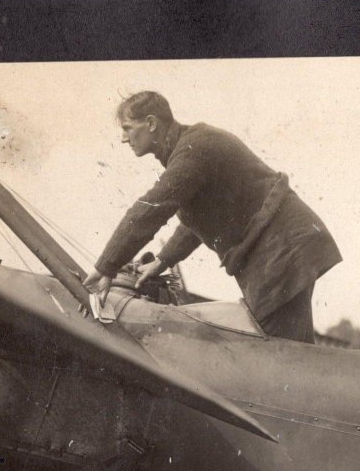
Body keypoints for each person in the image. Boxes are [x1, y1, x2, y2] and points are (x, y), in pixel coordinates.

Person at [82, 92, 342, 343]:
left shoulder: (193, 148)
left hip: (283, 249)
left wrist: (106, 266)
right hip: (283, 248)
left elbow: (151, 209)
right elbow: (195, 222)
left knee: (280, 353)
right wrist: (162, 261)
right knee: (292, 350)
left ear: (151, 123)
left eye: (127, 128)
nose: (123, 139)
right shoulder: (189, 147)